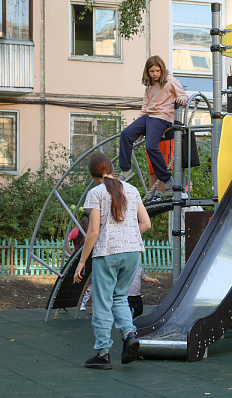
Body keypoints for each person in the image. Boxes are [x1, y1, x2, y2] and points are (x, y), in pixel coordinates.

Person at [74, 152, 151, 369]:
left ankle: (102, 353)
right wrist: (127, 236)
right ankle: (128, 334)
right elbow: (146, 224)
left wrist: (82, 261)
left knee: (102, 302)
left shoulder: (96, 192)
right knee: (120, 297)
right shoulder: (132, 190)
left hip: (107, 253)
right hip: (133, 252)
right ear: (112, 169)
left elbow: (94, 231)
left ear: (92, 174)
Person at [118, 55, 188, 203]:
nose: (155, 74)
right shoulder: (149, 86)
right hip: (149, 117)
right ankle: (126, 169)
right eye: (152, 71)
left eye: (157, 71)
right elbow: (145, 109)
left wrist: (181, 99)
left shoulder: (170, 81)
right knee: (125, 134)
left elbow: (183, 96)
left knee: (151, 146)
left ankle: (167, 179)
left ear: (162, 70)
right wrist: (138, 131)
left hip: (162, 117)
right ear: (147, 72)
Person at [68, 209, 93, 311]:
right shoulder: (91, 231)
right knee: (91, 283)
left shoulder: (76, 230)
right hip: (89, 259)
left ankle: (81, 303)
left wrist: (72, 254)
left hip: (78, 260)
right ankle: (90, 305)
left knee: (79, 281)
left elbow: (67, 242)